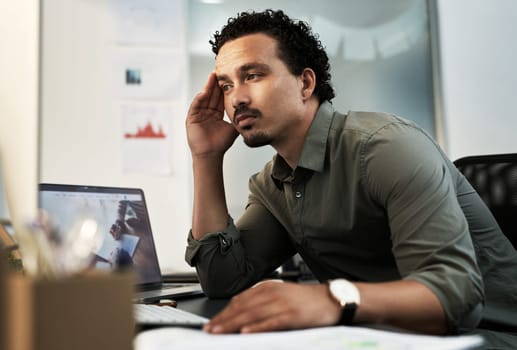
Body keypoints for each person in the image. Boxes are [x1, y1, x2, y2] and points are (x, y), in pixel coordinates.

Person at [184, 9, 517, 346]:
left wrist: (329, 299)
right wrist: (206, 157)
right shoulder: (275, 184)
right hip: (383, 336)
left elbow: (457, 297)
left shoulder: (385, 148)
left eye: (253, 75)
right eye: (226, 85)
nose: (236, 98)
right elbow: (222, 278)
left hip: (486, 336)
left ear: (305, 83)